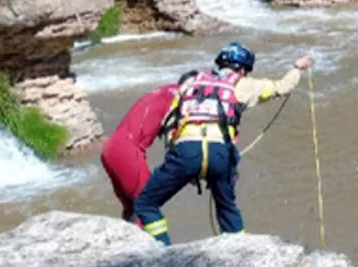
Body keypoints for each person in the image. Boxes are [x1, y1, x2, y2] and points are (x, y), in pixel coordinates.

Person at [133, 43, 312, 246]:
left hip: (186, 151)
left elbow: (170, 122)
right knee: (227, 207)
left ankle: (163, 251)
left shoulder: (191, 82)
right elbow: (282, 87)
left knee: (146, 203)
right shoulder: (244, 84)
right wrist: (297, 68)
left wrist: (180, 158)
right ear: (242, 69)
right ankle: (240, 250)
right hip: (221, 153)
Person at [100, 71, 198, 224]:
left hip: (110, 149)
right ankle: (151, 247)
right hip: (128, 151)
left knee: (132, 209)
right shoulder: (178, 98)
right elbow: (176, 140)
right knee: (147, 208)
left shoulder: (163, 92)